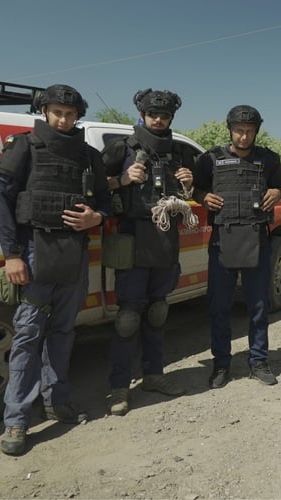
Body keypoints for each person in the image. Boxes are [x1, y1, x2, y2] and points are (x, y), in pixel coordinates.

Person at [0, 84, 110, 455]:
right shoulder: (24, 146)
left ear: (78, 116)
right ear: (44, 111)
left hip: (74, 253)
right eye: (57, 112)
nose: (63, 119)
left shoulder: (89, 156)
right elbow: (3, 202)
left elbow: (105, 203)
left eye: (70, 114)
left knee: (63, 331)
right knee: (28, 336)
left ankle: (57, 401)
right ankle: (16, 420)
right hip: (33, 251)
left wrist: (96, 217)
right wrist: (11, 255)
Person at [101, 89, 196, 416]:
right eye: (153, 114)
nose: (158, 119)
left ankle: (154, 375)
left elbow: (192, 194)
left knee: (157, 312)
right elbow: (92, 186)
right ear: (141, 115)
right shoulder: (122, 149)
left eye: (164, 115)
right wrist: (120, 180)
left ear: (171, 118)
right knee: (128, 318)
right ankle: (119, 387)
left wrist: (188, 184)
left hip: (166, 240)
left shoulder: (180, 152)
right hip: (132, 239)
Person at [192, 105, 281, 388]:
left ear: (257, 131)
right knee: (219, 306)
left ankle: (259, 361)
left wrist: (276, 191)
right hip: (223, 239)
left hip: (257, 238)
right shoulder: (209, 159)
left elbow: (278, 187)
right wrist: (203, 197)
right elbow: (196, 189)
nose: (244, 136)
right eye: (239, 131)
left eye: (249, 131)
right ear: (230, 129)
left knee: (258, 305)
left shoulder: (269, 159)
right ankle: (221, 364)